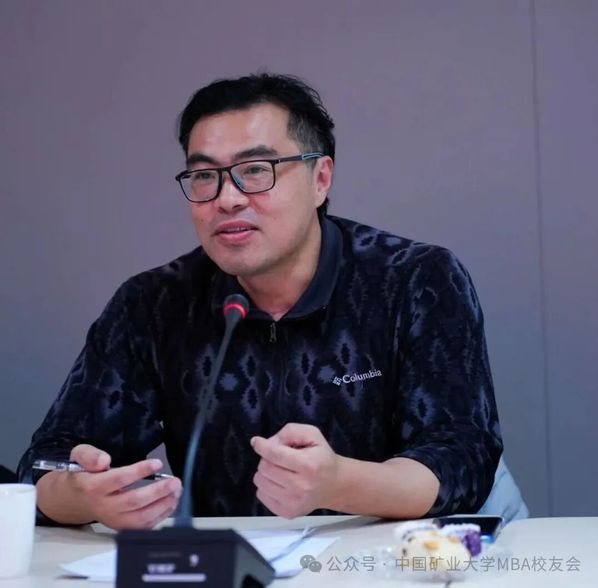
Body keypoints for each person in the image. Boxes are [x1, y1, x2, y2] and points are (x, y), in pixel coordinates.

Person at [18, 73, 503, 530]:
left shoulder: (414, 279)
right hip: (231, 563)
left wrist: (339, 483)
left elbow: (463, 458)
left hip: (392, 556)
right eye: (204, 176)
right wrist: (87, 498)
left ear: (321, 179)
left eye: (255, 170)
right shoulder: (153, 305)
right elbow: (44, 464)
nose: (227, 199)